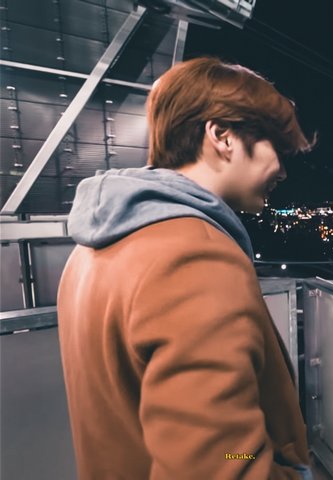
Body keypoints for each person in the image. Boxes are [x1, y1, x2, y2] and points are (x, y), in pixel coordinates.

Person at [57, 57, 318, 479]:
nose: (283, 171)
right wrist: (271, 465)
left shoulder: (92, 249)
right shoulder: (196, 257)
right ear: (222, 136)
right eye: (276, 146)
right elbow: (221, 461)